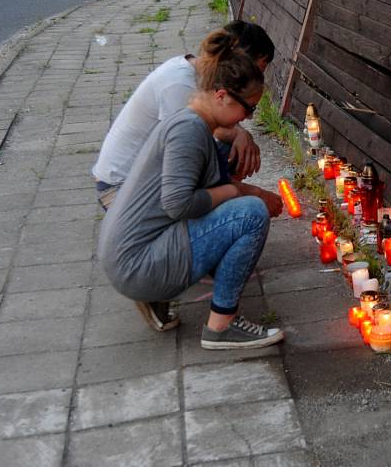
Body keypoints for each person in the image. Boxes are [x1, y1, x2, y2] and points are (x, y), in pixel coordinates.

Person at [98, 29, 284, 349]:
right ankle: (221, 326)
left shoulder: (193, 120)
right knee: (251, 214)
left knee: (239, 202)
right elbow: (179, 204)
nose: (248, 118)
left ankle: (170, 293)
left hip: (132, 255)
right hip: (138, 264)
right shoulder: (188, 130)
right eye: (248, 108)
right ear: (222, 95)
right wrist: (239, 193)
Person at [93, 20, 274, 211]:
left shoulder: (197, 74)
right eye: (257, 71)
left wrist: (240, 134)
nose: (257, 80)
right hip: (121, 190)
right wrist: (248, 193)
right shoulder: (179, 85)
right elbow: (186, 150)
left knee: (227, 146)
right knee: (242, 211)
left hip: (146, 179)